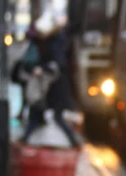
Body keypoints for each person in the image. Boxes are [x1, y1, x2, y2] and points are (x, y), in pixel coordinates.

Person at [16, 15, 80, 147]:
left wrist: (43, 68)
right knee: (39, 113)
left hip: (54, 86)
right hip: (49, 86)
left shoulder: (53, 43)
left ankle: (74, 142)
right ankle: (26, 139)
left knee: (54, 115)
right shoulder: (51, 42)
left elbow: (57, 64)